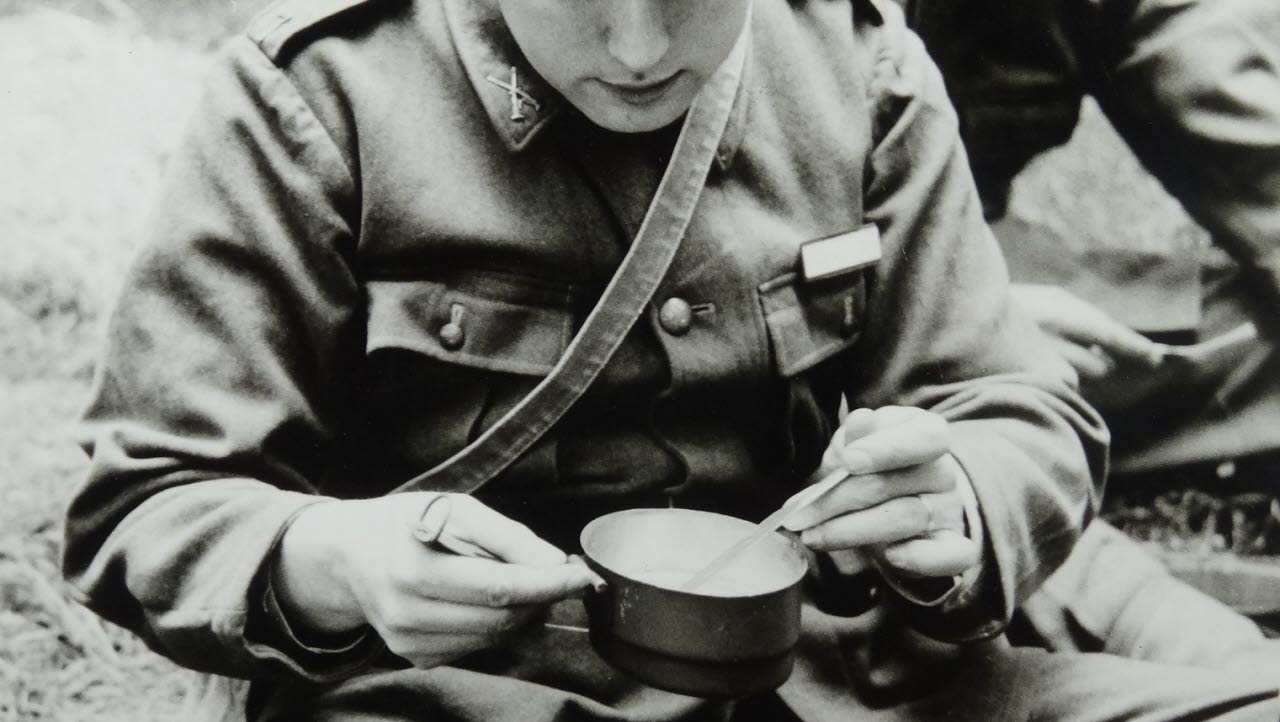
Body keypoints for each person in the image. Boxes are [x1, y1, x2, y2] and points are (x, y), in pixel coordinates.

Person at [60, 0, 1278, 720]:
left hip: (840, 671)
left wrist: (956, 497)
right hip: (453, 694)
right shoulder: (314, 100)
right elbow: (144, 505)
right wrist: (336, 560)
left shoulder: (854, 65)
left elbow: (1011, 407)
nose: (639, 45)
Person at [895, 0, 1280, 665]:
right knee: (949, 478)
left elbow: (1196, 51)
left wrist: (989, 307)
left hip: (979, 270)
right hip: (842, 331)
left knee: (1244, 344)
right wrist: (966, 319)